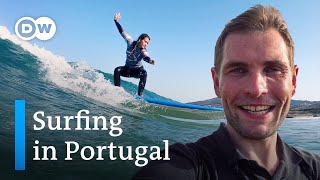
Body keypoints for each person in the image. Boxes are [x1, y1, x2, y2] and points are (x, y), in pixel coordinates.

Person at [132, 5, 320, 179]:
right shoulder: (183, 165)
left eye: (273, 69)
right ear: (216, 82)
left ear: (293, 81)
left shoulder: (314, 169)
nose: (256, 89)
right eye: (238, 70)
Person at [113, 12, 155, 96]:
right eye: (145, 42)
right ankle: (117, 91)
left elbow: (146, 57)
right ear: (140, 39)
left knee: (144, 73)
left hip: (137, 71)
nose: (146, 44)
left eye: (147, 43)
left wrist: (150, 61)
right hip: (127, 69)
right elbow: (121, 31)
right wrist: (116, 21)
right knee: (117, 70)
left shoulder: (143, 51)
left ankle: (140, 95)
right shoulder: (130, 42)